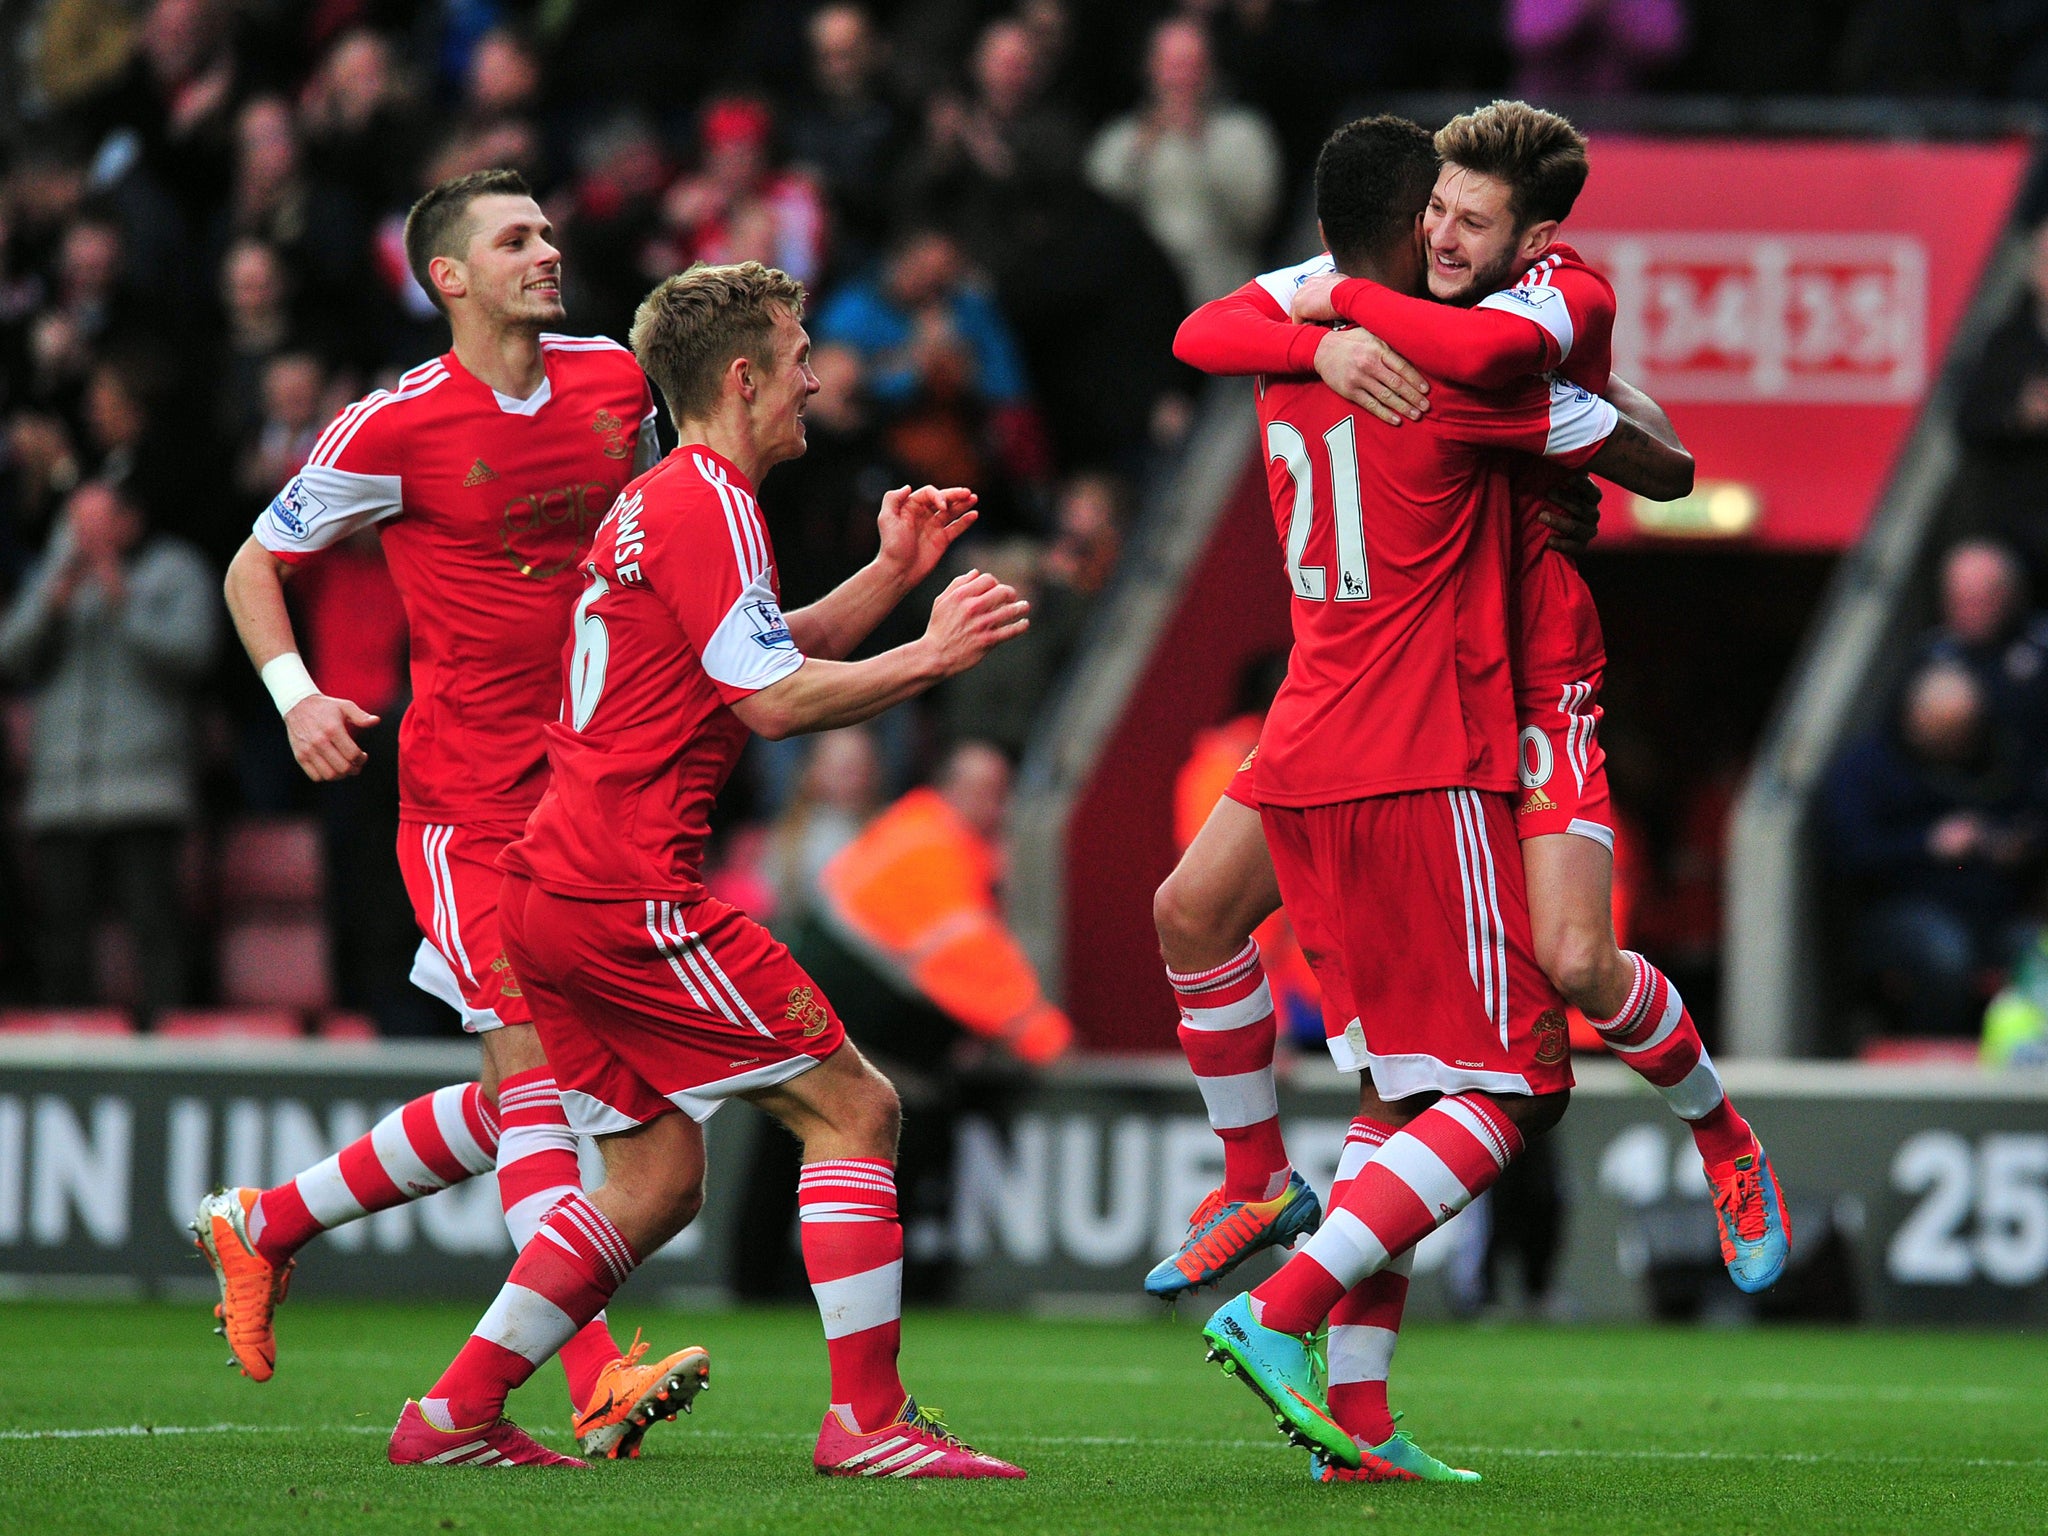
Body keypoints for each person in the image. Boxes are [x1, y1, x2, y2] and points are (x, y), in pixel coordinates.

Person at [391, 260, 1030, 1476]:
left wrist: (894, 577)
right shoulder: (707, 507)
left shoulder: (663, 501)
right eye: (798, 358)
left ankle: (452, 1414)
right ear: (742, 378)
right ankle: (867, 1424)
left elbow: (757, 657)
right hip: (625, 889)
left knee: (655, 1177)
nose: (815, 378)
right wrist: (934, 658)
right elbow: (777, 701)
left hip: (551, 889)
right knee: (856, 1108)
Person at [1158, 102, 1786, 1335]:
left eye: (1471, 221)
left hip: (1531, 681)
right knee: (1343, 1028)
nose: (1443, 235)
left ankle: (1723, 1138)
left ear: (1531, 236)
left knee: (1575, 967)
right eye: (1433, 211)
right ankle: (1317, 1329)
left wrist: (1328, 325)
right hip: (1398, 696)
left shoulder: (1551, 306)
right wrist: (1318, 340)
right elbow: (1199, 329)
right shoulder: (1379, 313)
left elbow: (1662, 461)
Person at [192, 167, 704, 1463]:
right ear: (451, 280)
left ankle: (266, 1224)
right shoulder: (391, 426)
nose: (549, 249)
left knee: (515, 1094)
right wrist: (299, 697)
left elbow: (649, 534)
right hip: (468, 806)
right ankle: (589, 1376)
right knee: (537, 1072)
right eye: (515, 237)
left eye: (547, 228)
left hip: (592, 796)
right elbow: (256, 564)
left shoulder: (610, 381)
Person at [737, 739, 1070, 1300]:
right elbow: (969, 961)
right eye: (983, 792)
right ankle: (856, 1288)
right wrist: (1046, 1038)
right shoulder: (935, 845)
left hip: (819, 1023)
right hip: (855, 1033)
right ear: (947, 789)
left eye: (1000, 793)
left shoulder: (921, 831)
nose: (997, 807)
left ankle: (756, 1284)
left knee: (792, 1155)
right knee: (884, 1155)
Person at [0, 479, 216, 1017]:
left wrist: (122, 599)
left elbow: (193, 654)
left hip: (144, 790)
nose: (82, 536)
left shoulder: (173, 569)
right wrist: (51, 600)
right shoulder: (53, 575)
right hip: (61, 792)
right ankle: (71, 1046)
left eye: (95, 524)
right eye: (75, 525)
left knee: (155, 928)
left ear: (128, 522)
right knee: (62, 935)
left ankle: (168, 1045)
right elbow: (9, 656)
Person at [1825, 661, 2044, 1039]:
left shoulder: (1996, 758)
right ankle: (1938, 1071)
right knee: (1944, 955)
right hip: (1900, 911)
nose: (1957, 745)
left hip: (1991, 910)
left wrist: (2012, 845)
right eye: (1946, 734)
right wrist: (1928, 844)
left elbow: (2028, 816)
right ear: (1916, 719)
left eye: (1964, 733)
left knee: (2034, 952)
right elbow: (1848, 854)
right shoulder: (1866, 769)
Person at [1084, 17, 1282, 305]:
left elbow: (1254, 221)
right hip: (1141, 304)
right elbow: (1096, 221)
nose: (1182, 79)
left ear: (1211, 70)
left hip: (1225, 298)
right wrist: (1140, 153)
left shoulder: (1244, 134)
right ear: (1150, 69)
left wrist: (1200, 145)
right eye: (1172, 67)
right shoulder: (1120, 138)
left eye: (1192, 66)